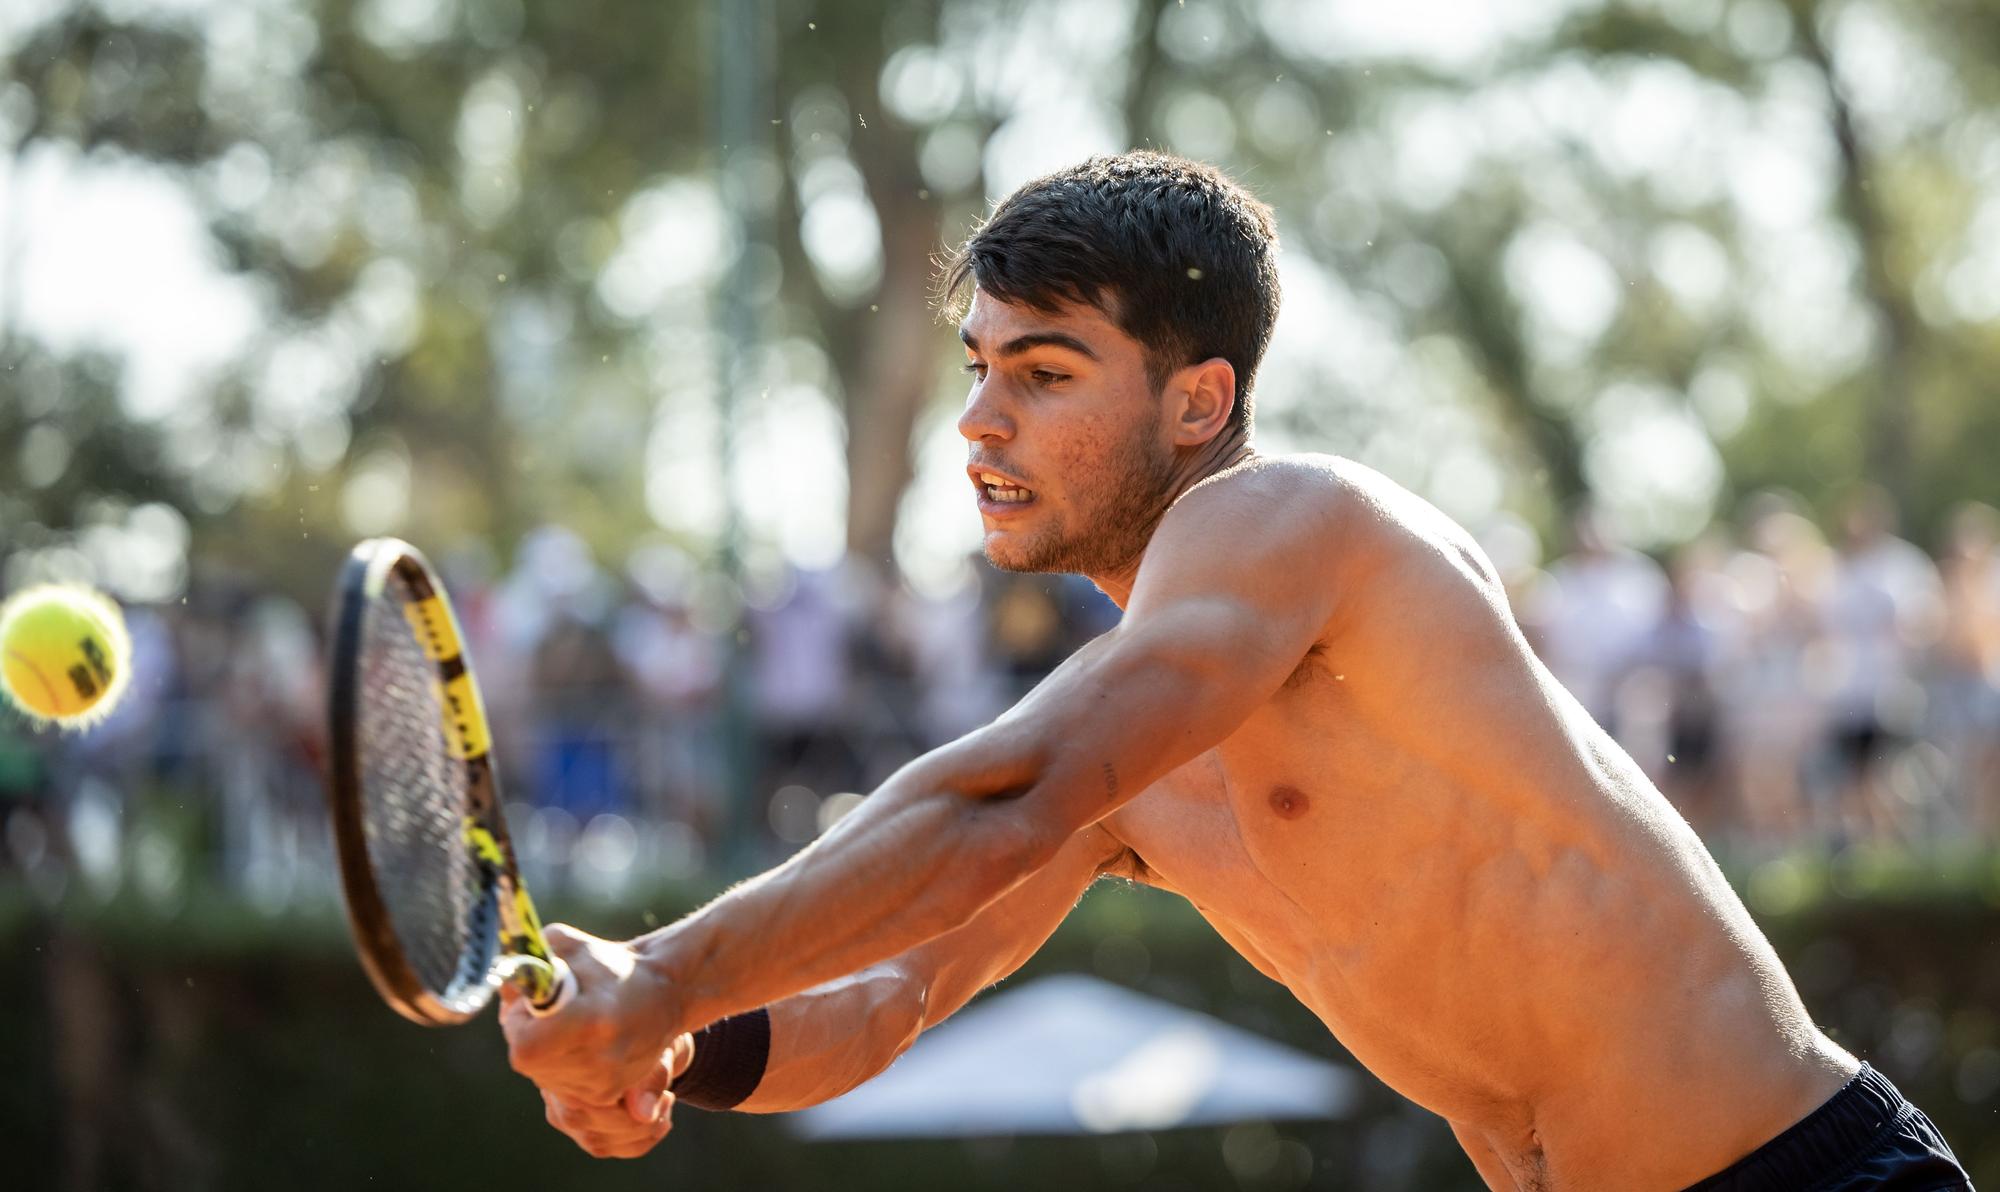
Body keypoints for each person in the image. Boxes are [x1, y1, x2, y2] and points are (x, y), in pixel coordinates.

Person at [500, 153, 1969, 1190]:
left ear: (1200, 400)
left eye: (1046, 373)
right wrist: (677, 1044)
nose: (979, 424)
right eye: (978, 365)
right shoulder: (1141, 745)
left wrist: (667, 969)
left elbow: (1009, 787)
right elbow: (884, 1000)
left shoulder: (1285, 519)